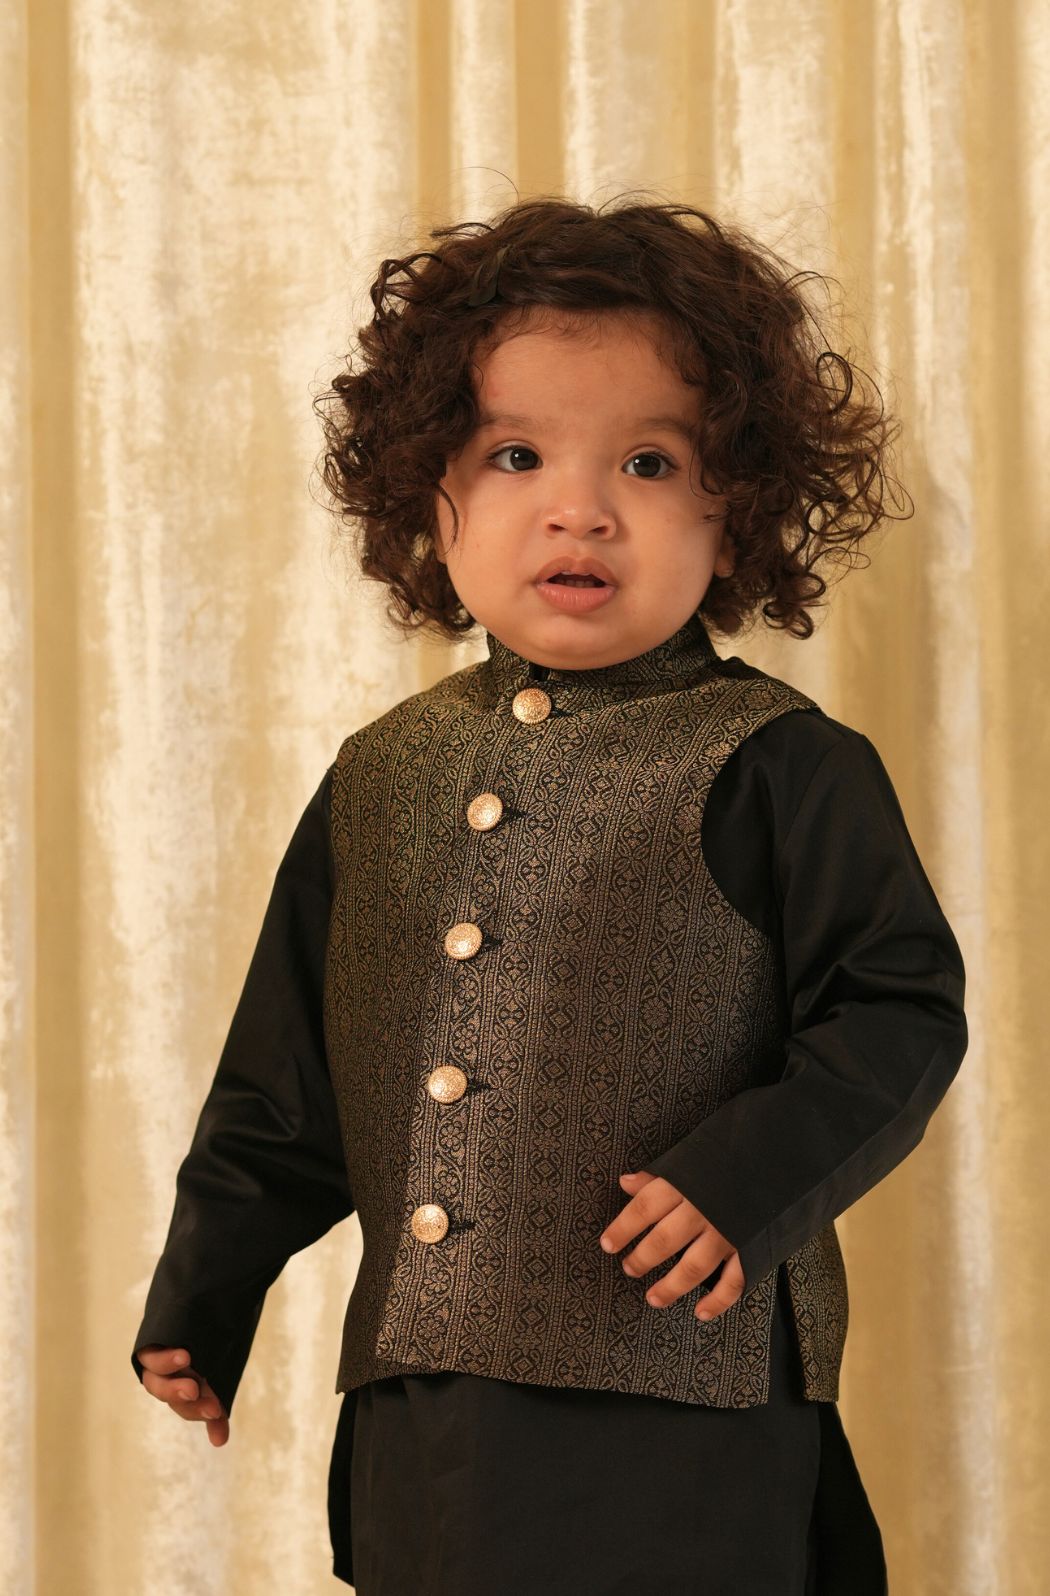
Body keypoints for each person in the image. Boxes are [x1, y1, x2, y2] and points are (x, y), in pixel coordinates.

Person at [132, 195, 968, 1594]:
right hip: (425, 1422)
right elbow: (283, 1089)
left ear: (735, 514)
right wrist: (205, 1293)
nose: (579, 507)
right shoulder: (377, 776)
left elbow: (895, 1015)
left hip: (684, 1413)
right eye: (515, 455)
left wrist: (743, 1179)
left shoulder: (782, 765)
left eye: (649, 461)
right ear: (430, 498)